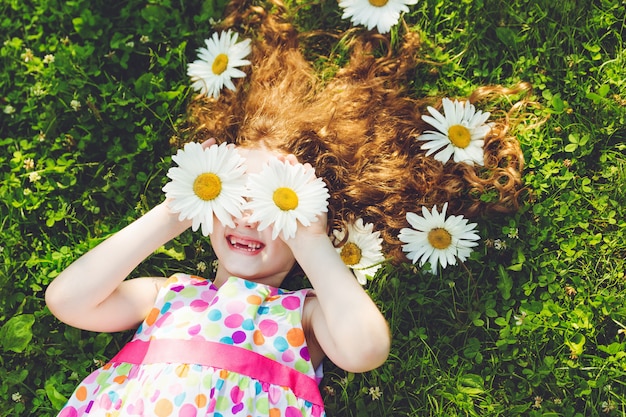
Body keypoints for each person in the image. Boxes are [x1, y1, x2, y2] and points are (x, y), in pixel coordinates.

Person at [46, 0, 529, 416]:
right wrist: (174, 211)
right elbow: (68, 300)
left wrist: (312, 241)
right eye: (237, 195)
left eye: (277, 204)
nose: (250, 216)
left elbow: (366, 349)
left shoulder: (304, 315)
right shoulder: (168, 296)